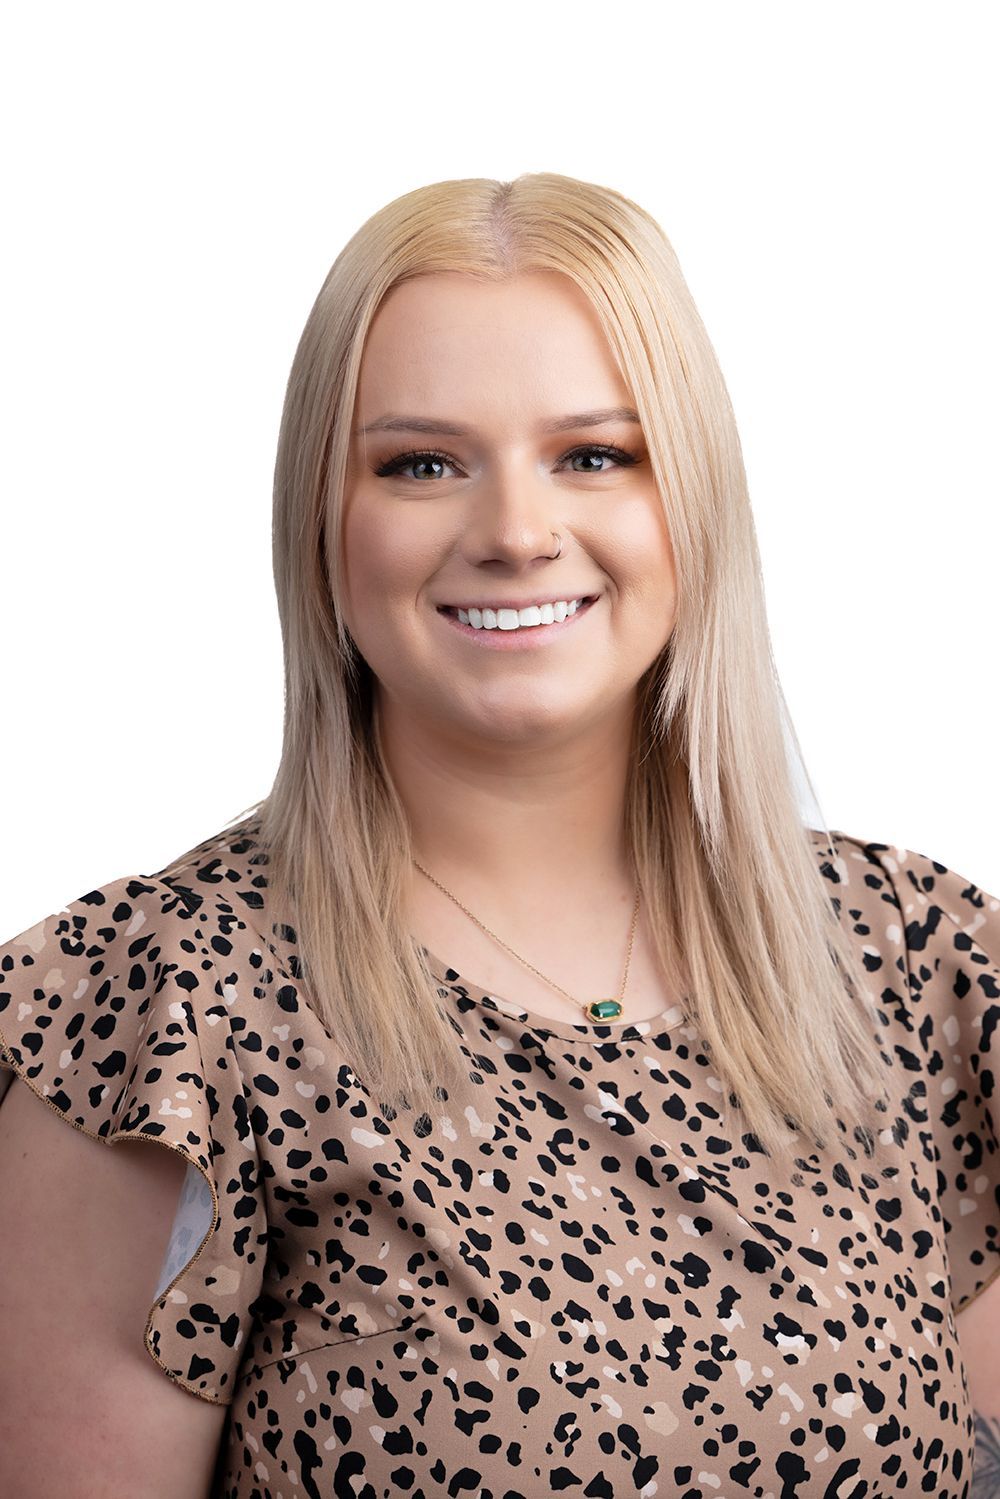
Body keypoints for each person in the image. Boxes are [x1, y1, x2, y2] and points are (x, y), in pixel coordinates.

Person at [1, 172, 997, 1499]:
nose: (518, 533)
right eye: (421, 463)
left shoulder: (910, 960)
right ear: (322, 520)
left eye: (595, 455)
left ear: (689, 505)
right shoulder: (164, 1009)